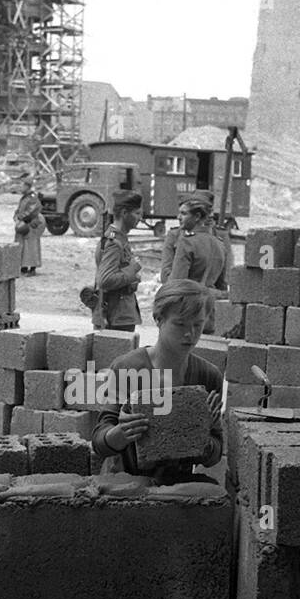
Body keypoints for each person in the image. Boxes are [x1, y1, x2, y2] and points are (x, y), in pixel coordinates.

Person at [91, 279, 224, 485]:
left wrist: (202, 434)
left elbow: (213, 456)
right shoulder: (128, 368)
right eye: (180, 324)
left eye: (198, 324)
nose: (190, 334)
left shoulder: (208, 376)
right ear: (158, 319)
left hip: (176, 488)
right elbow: (100, 443)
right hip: (123, 484)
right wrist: (122, 433)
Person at [161, 190, 225, 333]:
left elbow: (175, 284)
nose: (179, 217)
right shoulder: (220, 243)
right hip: (209, 314)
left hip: (186, 315)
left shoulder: (187, 243)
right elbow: (222, 284)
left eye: (184, 213)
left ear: (197, 216)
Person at [92, 188, 143, 331]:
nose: (140, 218)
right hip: (115, 316)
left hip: (116, 313)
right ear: (124, 213)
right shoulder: (114, 243)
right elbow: (105, 280)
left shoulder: (115, 237)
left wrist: (132, 277)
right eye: (137, 213)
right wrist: (132, 271)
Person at [13, 177, 45, 275]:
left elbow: (31, 211)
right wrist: (16, 215)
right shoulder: (25, 197)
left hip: (31, 224)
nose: (20, 187)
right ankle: (23, 266)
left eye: (22, 185)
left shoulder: (32, 197)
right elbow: (20, 209)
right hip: (24, 224)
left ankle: (32, 268)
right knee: (23, 245)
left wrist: (20, 217)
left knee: (31, 246)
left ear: (27, 186)